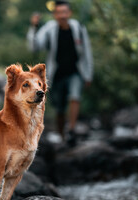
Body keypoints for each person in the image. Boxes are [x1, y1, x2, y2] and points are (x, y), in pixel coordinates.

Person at [27, 0, 93, 147]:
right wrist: (34, 27)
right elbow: (34, 47)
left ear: (69, 13)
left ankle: (72, 129)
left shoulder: (78, 28)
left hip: (76, 71)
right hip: (56, 75)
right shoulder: (49, 29)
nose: (62, 15)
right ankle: (62, 136)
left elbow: (87, 52)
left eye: (65, 12)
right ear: (55, 14)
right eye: (59, 12)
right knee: (60, 109)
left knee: (75, 97)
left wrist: (88, 75)